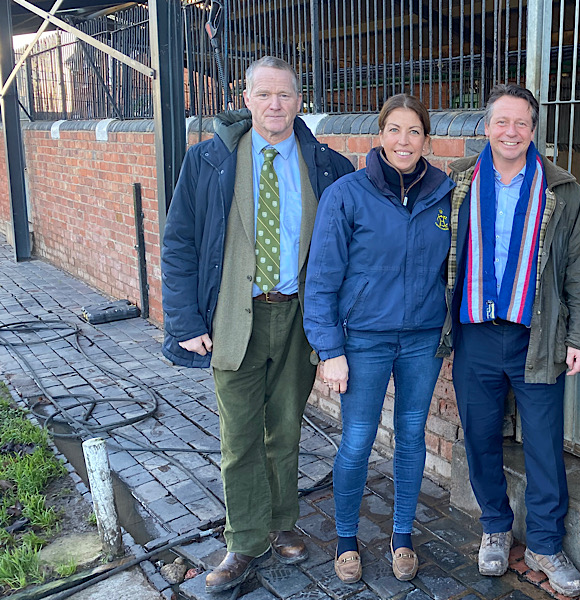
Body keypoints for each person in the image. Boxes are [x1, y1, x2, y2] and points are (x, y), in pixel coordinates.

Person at [160, 56, 354, 592]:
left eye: (285, 94)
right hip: (233, 316)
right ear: (245, 99)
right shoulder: (209, 161)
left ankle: (282, 521)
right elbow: (179, 242)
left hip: (298, 316)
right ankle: (244, 538)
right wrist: (184, 319)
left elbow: (348, 250)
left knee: (286, 427)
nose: (274, 104)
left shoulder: (327, 166)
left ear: (300, 100)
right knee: (240, 433)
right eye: (263, 94)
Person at [439, 84, 580, 598]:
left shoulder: (563, 190)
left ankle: (546, 546)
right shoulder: (457, 182)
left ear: (533, 130)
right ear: (486, 127)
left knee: (544, 445)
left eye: (522, 123)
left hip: (538, 335)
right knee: (481, 436)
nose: (511, 132)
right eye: (502, 122)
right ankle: (495, 526)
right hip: (475, 334)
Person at [303, 94, 456, 583]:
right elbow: (321, 278)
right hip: (364, 339)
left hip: (422, 338)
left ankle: (402, 535)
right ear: (380, 135)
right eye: (394, 129)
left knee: (411, 435)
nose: (403, 141)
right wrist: (330, 349)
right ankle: (346, 539)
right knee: (357, 439)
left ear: (427, 139)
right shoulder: (347, 194)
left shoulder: (445, 194)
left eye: (414, 131)